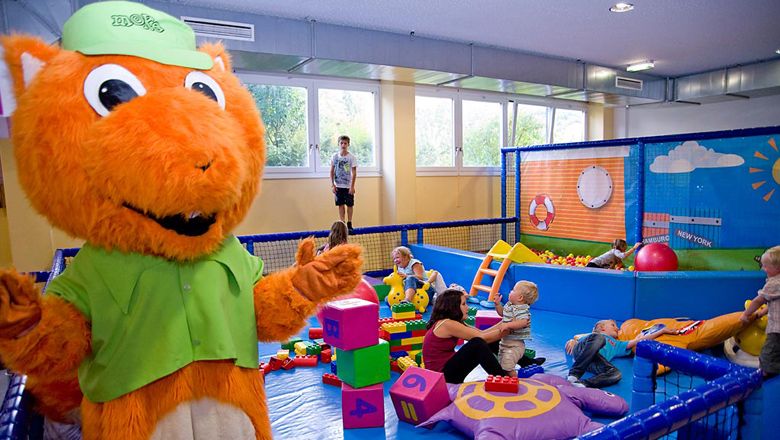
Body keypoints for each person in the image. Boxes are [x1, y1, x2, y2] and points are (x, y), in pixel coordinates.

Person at [423, 288, 526, 383]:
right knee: (478, 343)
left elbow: (483, 333)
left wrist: (506, 322)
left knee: (484, 341)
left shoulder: (451, 322)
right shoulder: (447, 324)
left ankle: (526, 361)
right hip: (443, 376)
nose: (467, 307)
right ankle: (502, 378)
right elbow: (482, 337)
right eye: (464, 304)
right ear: (453, 307)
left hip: (447, 370)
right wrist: (511, 328)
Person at [564, 319, 677, 388]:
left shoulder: (617, 344)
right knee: (599, 339)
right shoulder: (593, 334)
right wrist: (573, 341)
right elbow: (578, 340)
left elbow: (638, 340)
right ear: (601, 327)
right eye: (613, 325)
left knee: (616, 374)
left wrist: (661, 331)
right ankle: (574, 374)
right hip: (582, 354)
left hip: (596, 362)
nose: (617, 328)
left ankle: (582, 384)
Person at [740, 245, 780, 379]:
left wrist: (746, 314)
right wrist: (762, 313)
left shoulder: (774, 283)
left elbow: (759, 301)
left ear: (777, 268)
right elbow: (774, 301)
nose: (763, 269)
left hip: (777, 330)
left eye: (765, 266)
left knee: (768, 354)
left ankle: (765, 376)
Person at [495, 281, 538, 377]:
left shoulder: (522, 310)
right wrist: (498, 305)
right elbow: (502, 313)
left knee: (508, 366)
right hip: (505, 343)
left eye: (513, 290)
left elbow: (523, 322)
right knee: (502, 365)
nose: (510, 291)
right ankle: (507, 381)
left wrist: (508, 325)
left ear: (520, 297)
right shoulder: (510, 306)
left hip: (515, 345)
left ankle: (515, 381)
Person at [330, 135, 357, 232]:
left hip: (348, 186)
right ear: (339, 144)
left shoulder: (351, 157)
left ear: (348, 144)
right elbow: (332, 171)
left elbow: (354, 173)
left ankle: (349, 223)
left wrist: (352, 186)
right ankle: (342, 223)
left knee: (349, 205)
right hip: (338, 185)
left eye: (345, 143)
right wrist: (333, 185)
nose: (343, 145)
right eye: (341, 143)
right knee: (340, 205)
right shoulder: (335, 157)